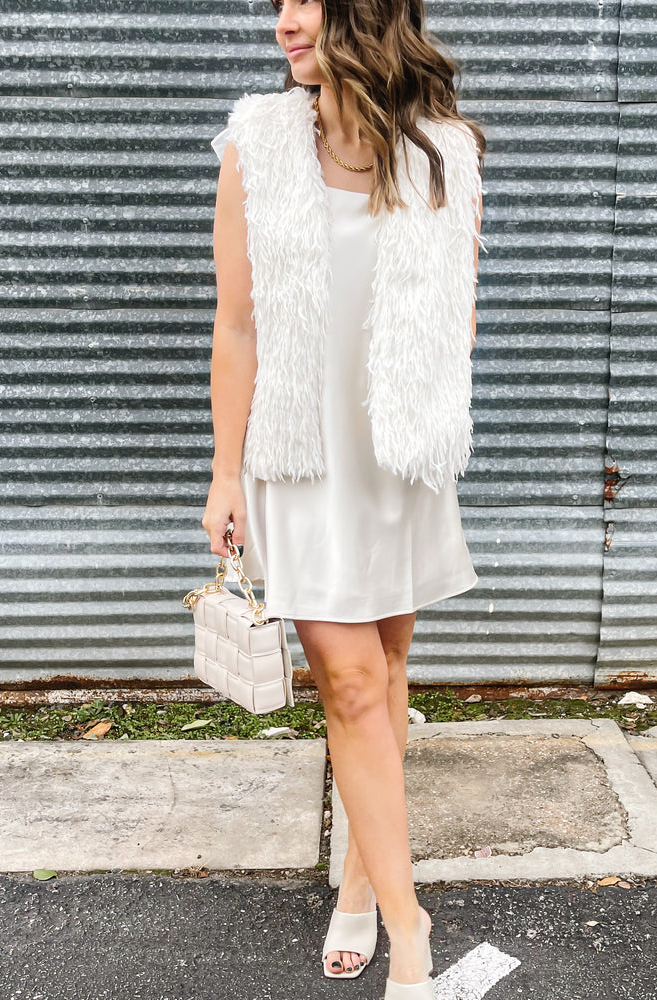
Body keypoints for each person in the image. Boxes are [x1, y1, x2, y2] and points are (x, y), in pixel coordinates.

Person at [201, 1, 486, 996]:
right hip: (299, 456)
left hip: (394, 457)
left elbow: (461, 310)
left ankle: (363, 883)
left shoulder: (443, 151)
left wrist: (422, 386)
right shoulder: (257, 146)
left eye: (307, 0)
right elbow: (235, 326)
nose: (284, 20)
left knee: (391, 670)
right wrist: (225, 472)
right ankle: (412, 934)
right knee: (351, 682)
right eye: (277, 2)